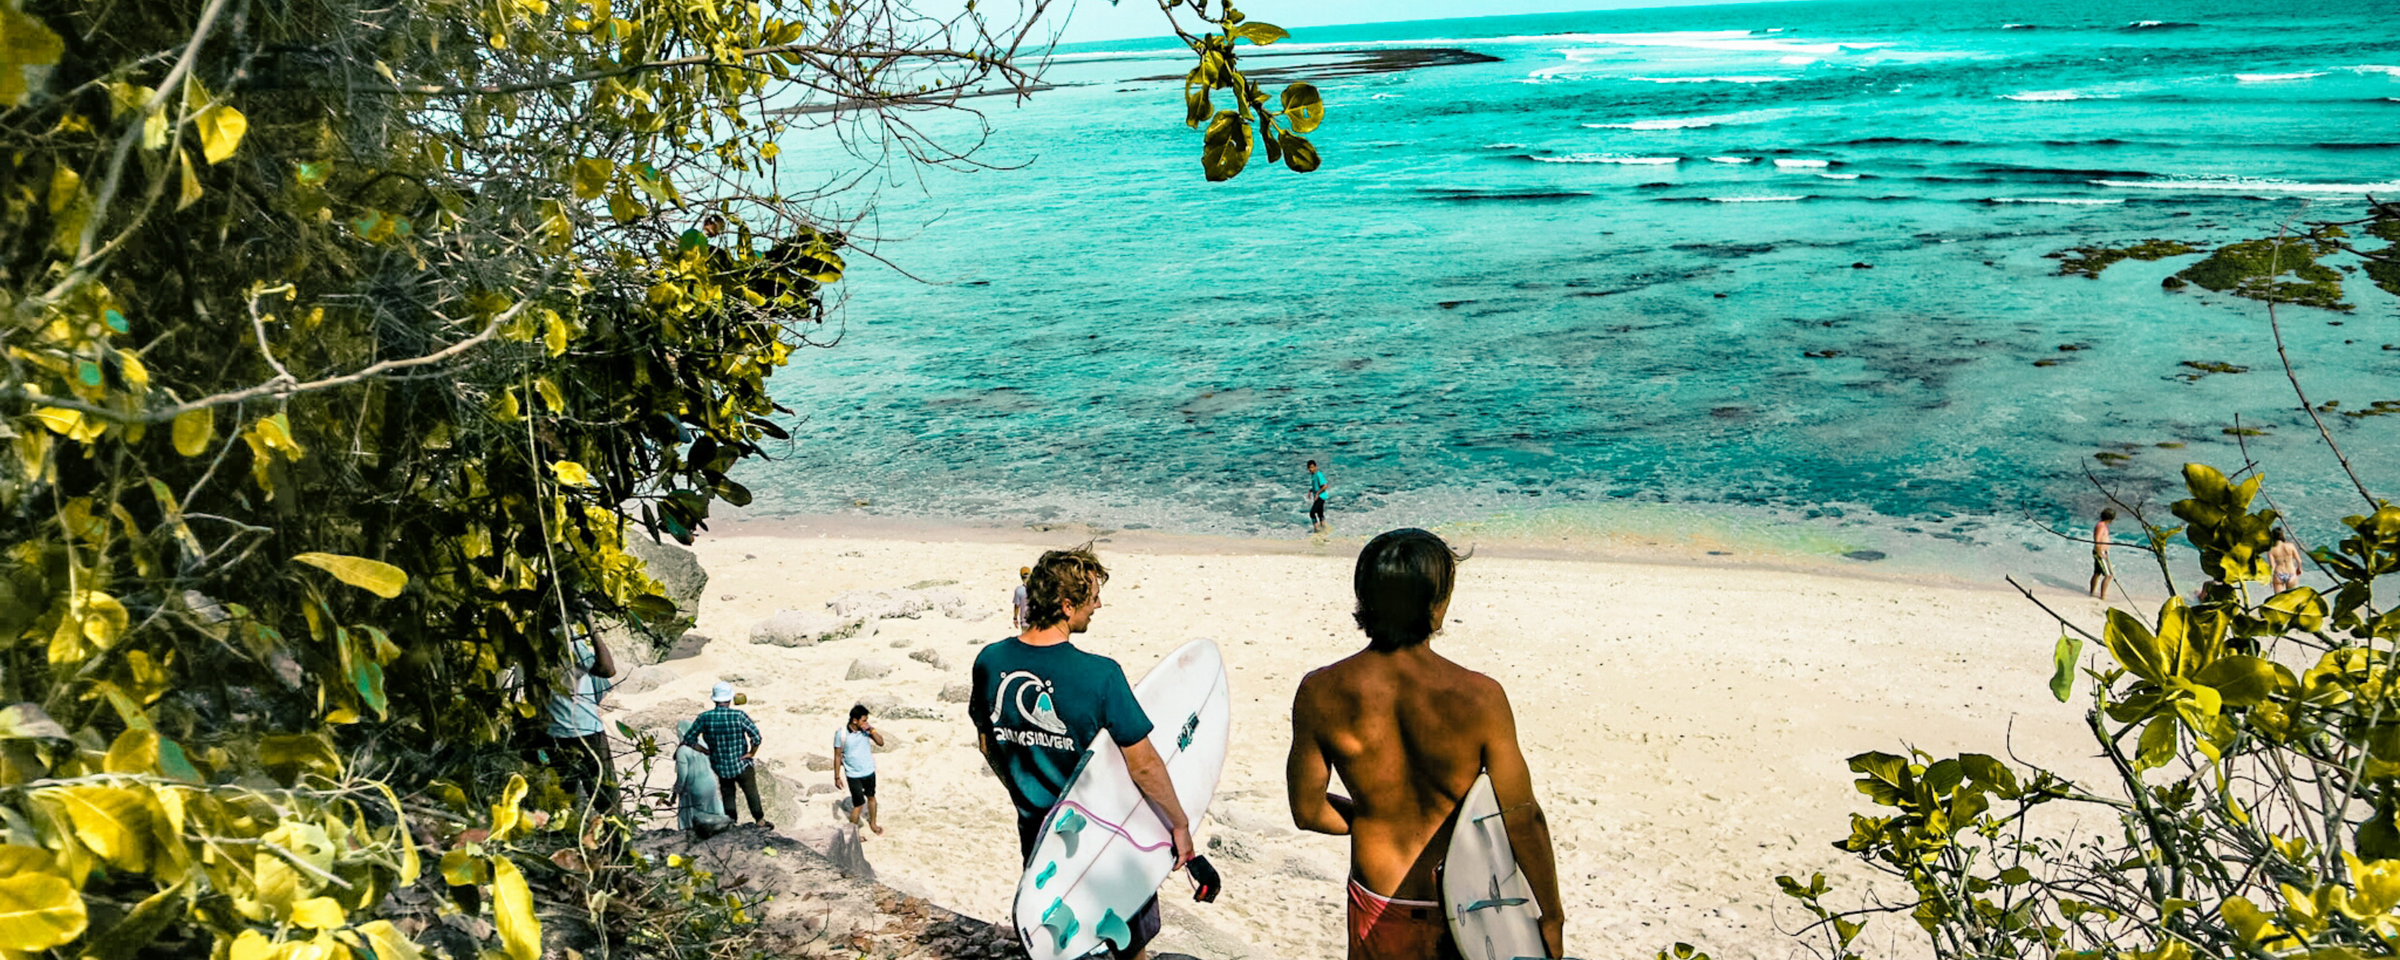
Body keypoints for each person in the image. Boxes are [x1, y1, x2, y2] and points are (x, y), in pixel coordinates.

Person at [1287, 529, 1564, 960]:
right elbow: (1522, 819)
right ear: (1437, 605)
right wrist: (1552, 915)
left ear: (1365, 598)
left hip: (1378, 894)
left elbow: (1308, 812)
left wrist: (1372, 819)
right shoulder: (1480, 696)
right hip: (1467, 906)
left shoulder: (1320, 691)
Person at [970, 546, 1195, 960]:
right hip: (1108, 841)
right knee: (1130, 947)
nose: (1099, 604)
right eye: (1092, 597)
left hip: (1038, 838)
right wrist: (1180, 824)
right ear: (1067, 605)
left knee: (1059, 942)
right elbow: (1143, 765)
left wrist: (1021, 789)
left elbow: (987, 743)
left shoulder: (989, 661)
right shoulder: (1100, 675)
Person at [544, 620, 619, 817]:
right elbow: (607, 669)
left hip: (553, 734)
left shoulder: (534, 640)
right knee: (608, 802)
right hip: (586, 730)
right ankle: (615, 843)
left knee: (563, 807)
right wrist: (591, 625)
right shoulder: (568, 641)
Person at [683, 682, 768, 828]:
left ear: (714, 700)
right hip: (741, 763)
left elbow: (688, 739)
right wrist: (751, 753)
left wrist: (706, 751)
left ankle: (731, 823)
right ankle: (760, 821)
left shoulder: (704, 718)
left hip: (720, 764)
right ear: (729, 699)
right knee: (751, 793)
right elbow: (756, 737)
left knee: (728, 795)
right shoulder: (739, 715)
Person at [674, 719, 730, 837]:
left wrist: (676, 791)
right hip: (710, 783)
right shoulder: (704, 744)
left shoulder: (682, 751)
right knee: (714, 810)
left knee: (692, 816)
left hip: (694, 786)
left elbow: (682, 775)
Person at [836, 704, 887, 835]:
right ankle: (853, 833)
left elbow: (881, 743)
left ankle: (873, 824)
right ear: (855, 720)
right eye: (864, 720)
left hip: (869, 771)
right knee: (858, 804)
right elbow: (837, 756)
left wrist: (872, 730)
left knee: (871, 797)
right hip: (853, 775)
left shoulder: (866, 731)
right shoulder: (841, 734)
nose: (866, 723)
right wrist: (837, 777)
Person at [2088, 508, 2117, 600]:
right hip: (2100, 553)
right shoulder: (2101, 526)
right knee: (2108, 575)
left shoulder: (2102, 525)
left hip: (2102, 552)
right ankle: (2103, 596)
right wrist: (2100, 552)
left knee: (2097, 573)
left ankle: (2092, 592)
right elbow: (2097, 539)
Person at [2268, 527, 2304, 593]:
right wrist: (2299, 568)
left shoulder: (2271, 551)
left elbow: (2272, 567)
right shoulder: (2291, 546)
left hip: (2278, 574)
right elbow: (2299, 560)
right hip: (2291, 573)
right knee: (2291, 597)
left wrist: (2271, 579)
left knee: (2279, 599)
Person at [1307, 459, 1331, 533]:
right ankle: (1324, 528)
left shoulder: (1318, 474)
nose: (1311, 469)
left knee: (1312, 513)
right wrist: (1311, 491)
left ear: (1315, 467)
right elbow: (1316, 486)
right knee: (1320, 513)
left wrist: (1317, 493)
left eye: (1312, 467)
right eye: (1309, 468)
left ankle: (1316, 529)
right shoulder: (1313, 476)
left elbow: (1325, 486)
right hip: (1318, 497)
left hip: (1321, 497)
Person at [1012, 566, 1033, 632]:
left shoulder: (1019, 590)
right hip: (1036, 621)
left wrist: (1015, 618)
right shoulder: (1036, 589)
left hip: (1025, 621)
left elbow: (1017, 606)